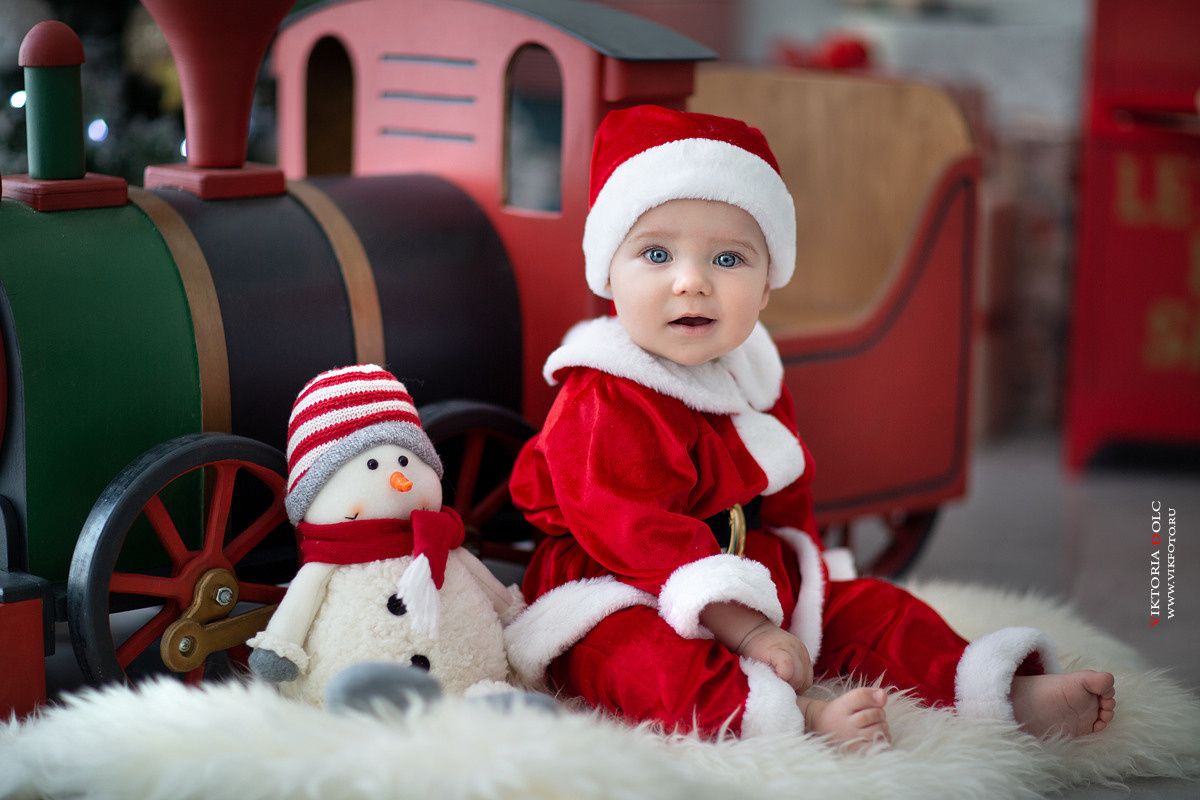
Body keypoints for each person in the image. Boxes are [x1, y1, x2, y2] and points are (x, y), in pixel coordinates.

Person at [504, 105, 1115, 748]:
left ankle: (994, 689)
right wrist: (750, 629)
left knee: (877, 610)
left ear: (767, 287)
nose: (692, 282)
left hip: (742, 567)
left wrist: (808, 586)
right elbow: (636, 536)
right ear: (607, 272)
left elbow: (787, 500)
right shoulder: (603, 394)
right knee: (640, 662)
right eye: (656, 254)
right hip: (616, 584)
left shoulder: (751, 377)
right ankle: (792, 717)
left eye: (729, 259)